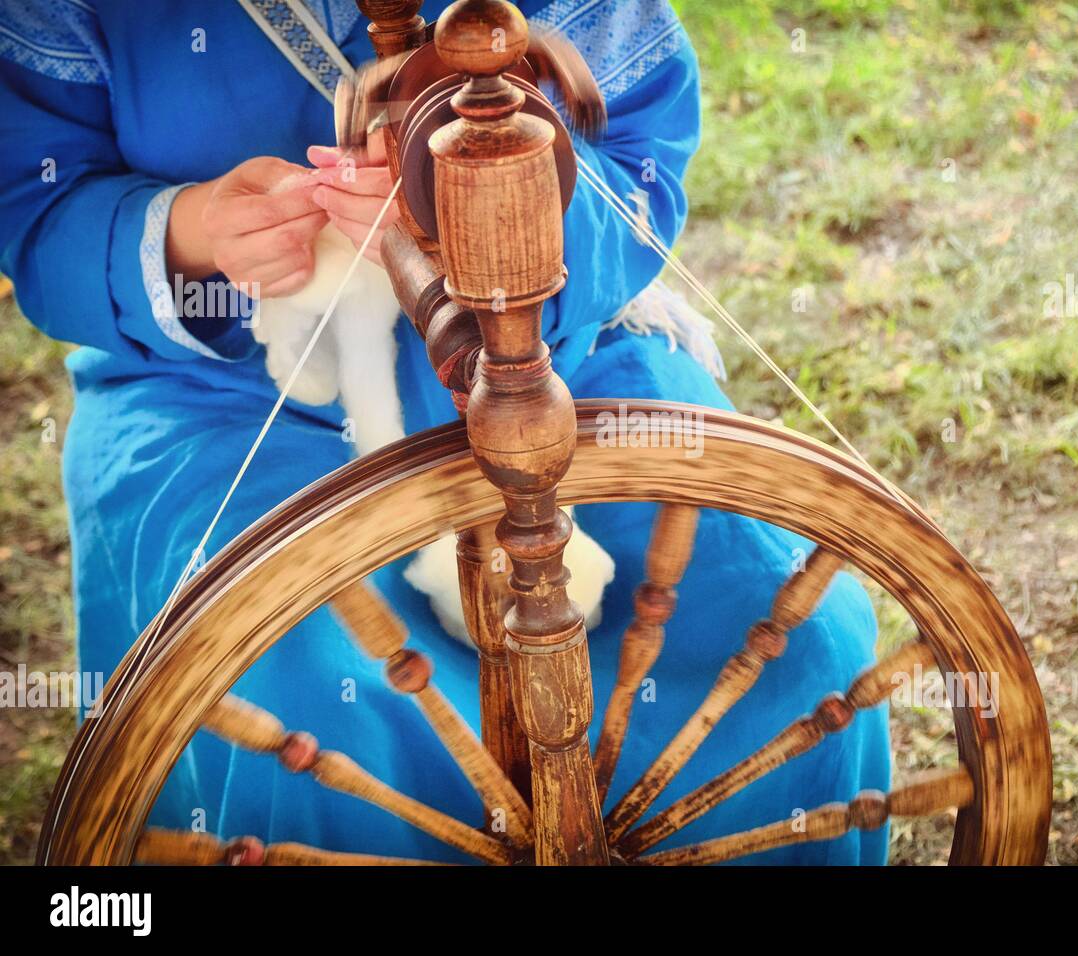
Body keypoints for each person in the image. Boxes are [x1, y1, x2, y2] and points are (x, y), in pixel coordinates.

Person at [0, 0, 889, 864]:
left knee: (791, 643)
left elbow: (640, 168)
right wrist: (192, 234)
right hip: (226, 391)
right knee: (306, 688)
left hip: (557, 359)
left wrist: (501, 212)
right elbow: (35, 205)